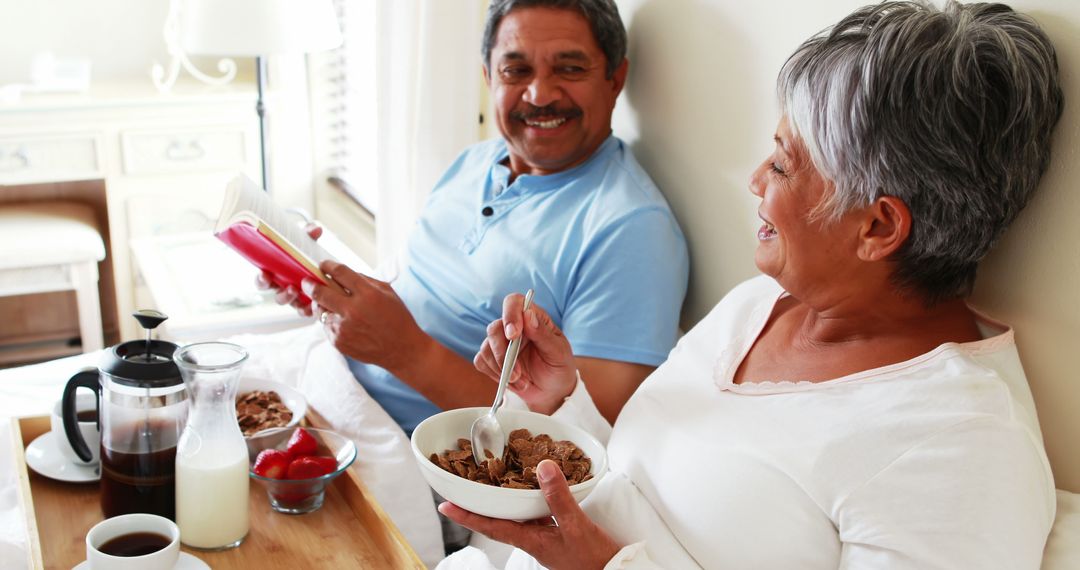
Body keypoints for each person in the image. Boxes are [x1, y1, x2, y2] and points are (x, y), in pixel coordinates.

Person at [442, 1, 1064, 568]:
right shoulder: (758, 305)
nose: (756, 180)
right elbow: (636, 486)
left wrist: (603, 565)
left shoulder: (963, 449)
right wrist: (560, 400)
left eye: (785, 162)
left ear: (877, 226)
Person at [268, 0, 689, 435]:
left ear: (615, 79)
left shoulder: (633, 231)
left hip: (406, 453)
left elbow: (581, 442)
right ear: (489, 77)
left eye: (569, 69)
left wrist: (406, 352)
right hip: (324, 385)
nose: (540, 95)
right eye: (516, 70)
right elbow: (421, 299)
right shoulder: (475, 162)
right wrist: (333, 297)